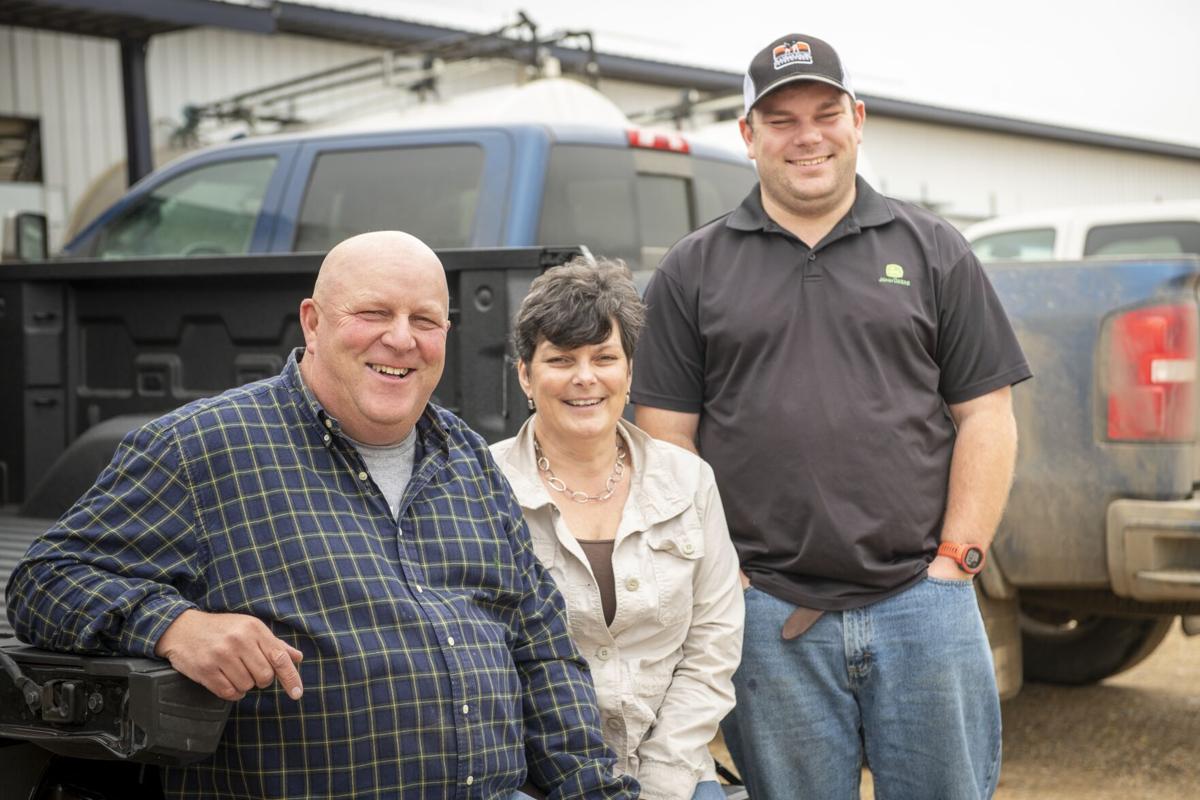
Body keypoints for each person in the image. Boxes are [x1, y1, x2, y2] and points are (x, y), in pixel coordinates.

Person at [6, 231, 638, 800]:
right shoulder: (203, 448)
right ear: (312, 322)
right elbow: (45, 580)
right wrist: (174, 626)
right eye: (373, 313)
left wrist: (592, 791)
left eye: (425, 319)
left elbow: (541, 650)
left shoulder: (467, 458)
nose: (401, 338)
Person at [631, 33, 1032, 800]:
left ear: (858, 120)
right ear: (747, 136)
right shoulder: (694, 268)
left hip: (925, 604)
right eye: (780, 120)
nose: (806, 136)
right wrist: (729, 579)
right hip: (765, 616)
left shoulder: (933, 249)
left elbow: (986, 411)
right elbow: (665, 438)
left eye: (825, 113)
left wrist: (960, 562)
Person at [490, 257, 743, 800]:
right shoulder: (483, 487)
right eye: (560, 359)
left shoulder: (690, 483)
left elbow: (713, 647)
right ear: (525, 375)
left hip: (671, 769)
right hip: (534, 778)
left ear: (629, 371)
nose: (585, 377)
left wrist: (660, 784)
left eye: (604, 357)